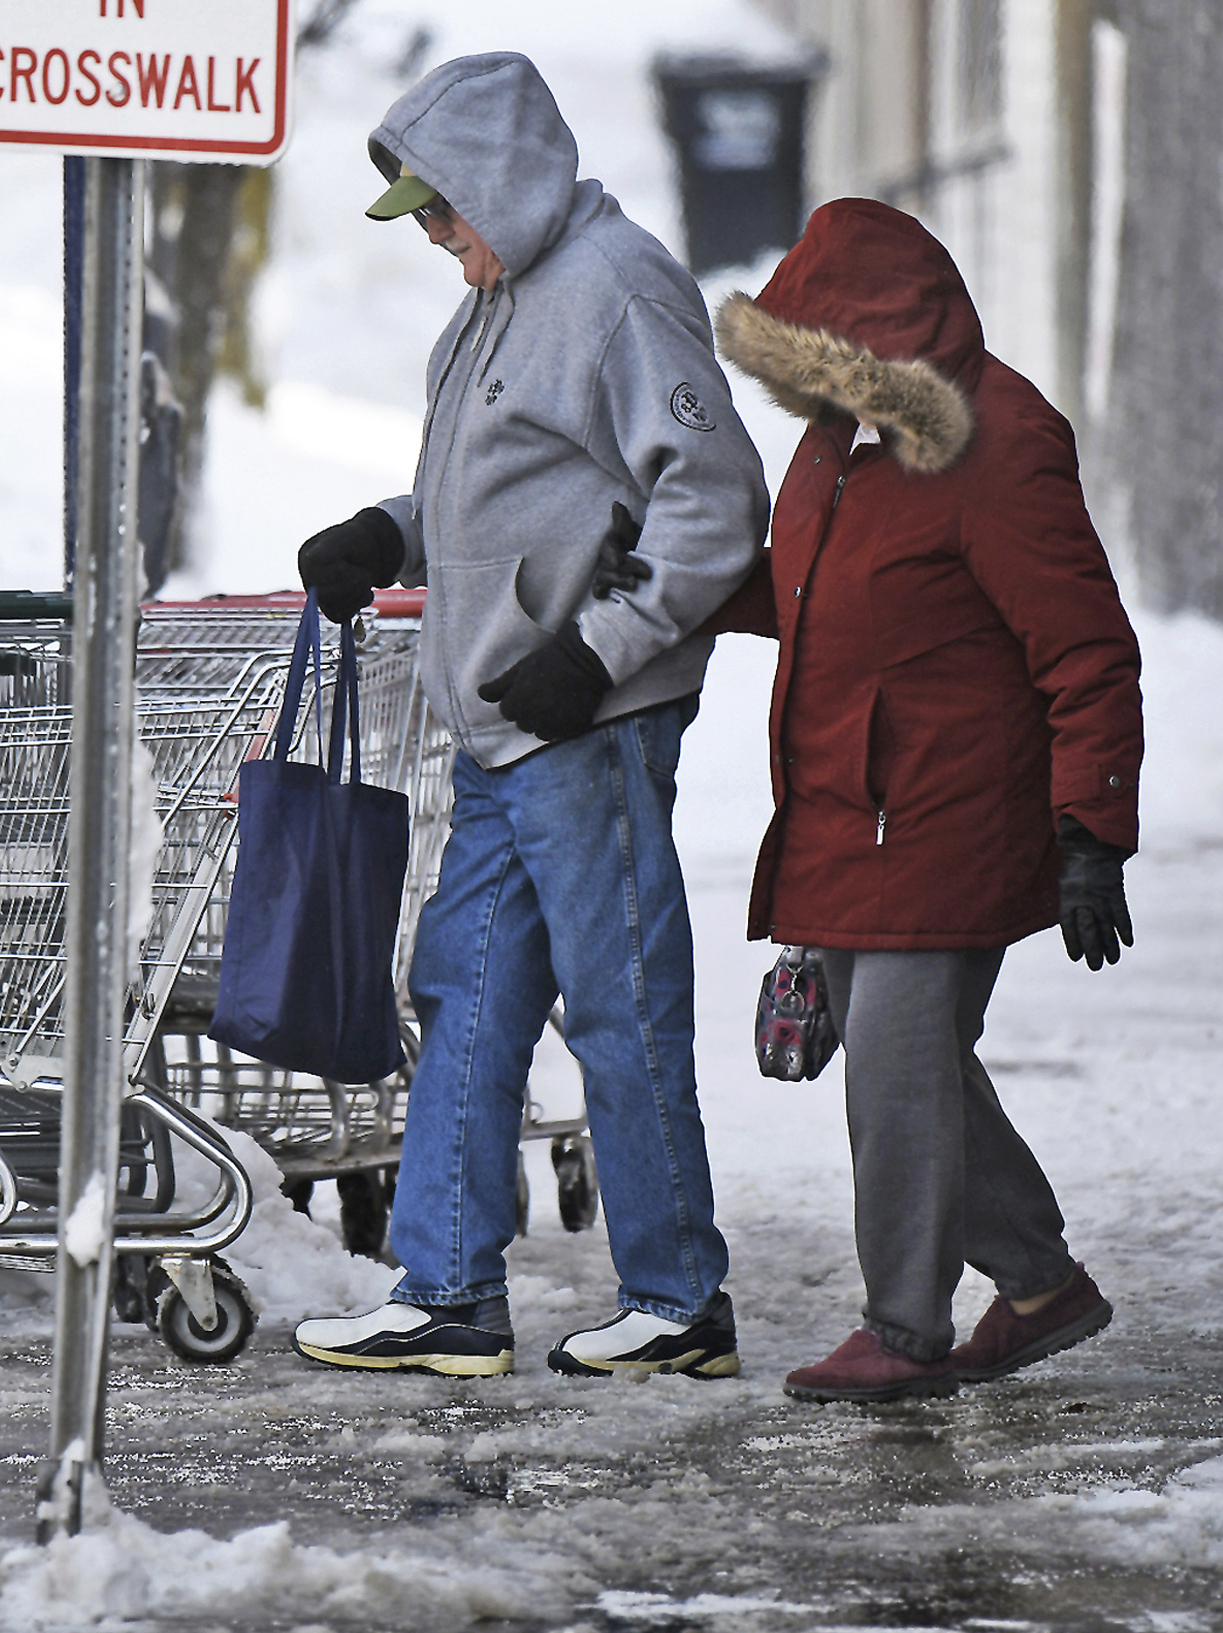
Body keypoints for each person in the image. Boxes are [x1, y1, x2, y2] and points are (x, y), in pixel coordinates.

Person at [290, 53, 768, 1380]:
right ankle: (446, 1288)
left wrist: (598, 652)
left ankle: (679, 1298)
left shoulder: (616, 289)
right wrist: (381, 535)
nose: (436, 239)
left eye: (444, 211)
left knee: (619, 1004)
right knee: (469, 994)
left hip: (591, 725)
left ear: (501, 182)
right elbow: (500, 497)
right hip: (507, 727)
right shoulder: (494, 306)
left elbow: (717, 503)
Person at [708, 198, 1144, 1403]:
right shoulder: (841, 440)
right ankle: (1045, 1286)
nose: (809, 389)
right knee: (923, 1071)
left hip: (949, 816)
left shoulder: (997, 440)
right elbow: (821, 590)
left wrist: (1092, 829)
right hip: (849, 808)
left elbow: (1087, 648)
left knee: (895, 1073)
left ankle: (904, 1330)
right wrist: (688, 594)